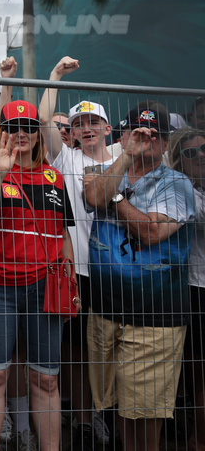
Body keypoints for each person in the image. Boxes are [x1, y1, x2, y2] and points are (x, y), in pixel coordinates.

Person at [83, 105, 194, 451]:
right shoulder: (107, 169)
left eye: (153, 135)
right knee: (117, 403)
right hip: (104, 311)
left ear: (164, 145)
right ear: (121, 136)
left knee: (144, 412)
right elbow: (93, 196)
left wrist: (113, 195)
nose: (144, 139)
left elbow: (151, 232)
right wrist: (126, 158)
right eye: (135, 132)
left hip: (154, 317)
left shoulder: (177, 183)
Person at [0, 101, 77, 451]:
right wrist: (0, 173)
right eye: (13, 127)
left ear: (37, 134)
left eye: (29, 127)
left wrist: (70, 284)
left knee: (46, 380)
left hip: (44, 288)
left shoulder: (55, 177)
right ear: (1, 133)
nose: (21, 134)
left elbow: (63, 236)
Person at [37, 58, 114, 450]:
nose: (84, 129)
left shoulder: (122, 160)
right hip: (78, 270)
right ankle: (86, 421)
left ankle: (107, 417)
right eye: (78, 125)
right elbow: (44, 118)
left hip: (118, 274)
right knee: (79, 353)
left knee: (112, 353)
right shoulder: (65, 159)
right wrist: (54, 78)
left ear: (107, 129)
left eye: (92, 124)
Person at [170, 127, 205, 451]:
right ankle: (194, 437)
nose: (201, 156)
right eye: (192, 153)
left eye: (204, 149)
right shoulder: (183, 190)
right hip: (193, 287)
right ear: (179, 160)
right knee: (195, 371)